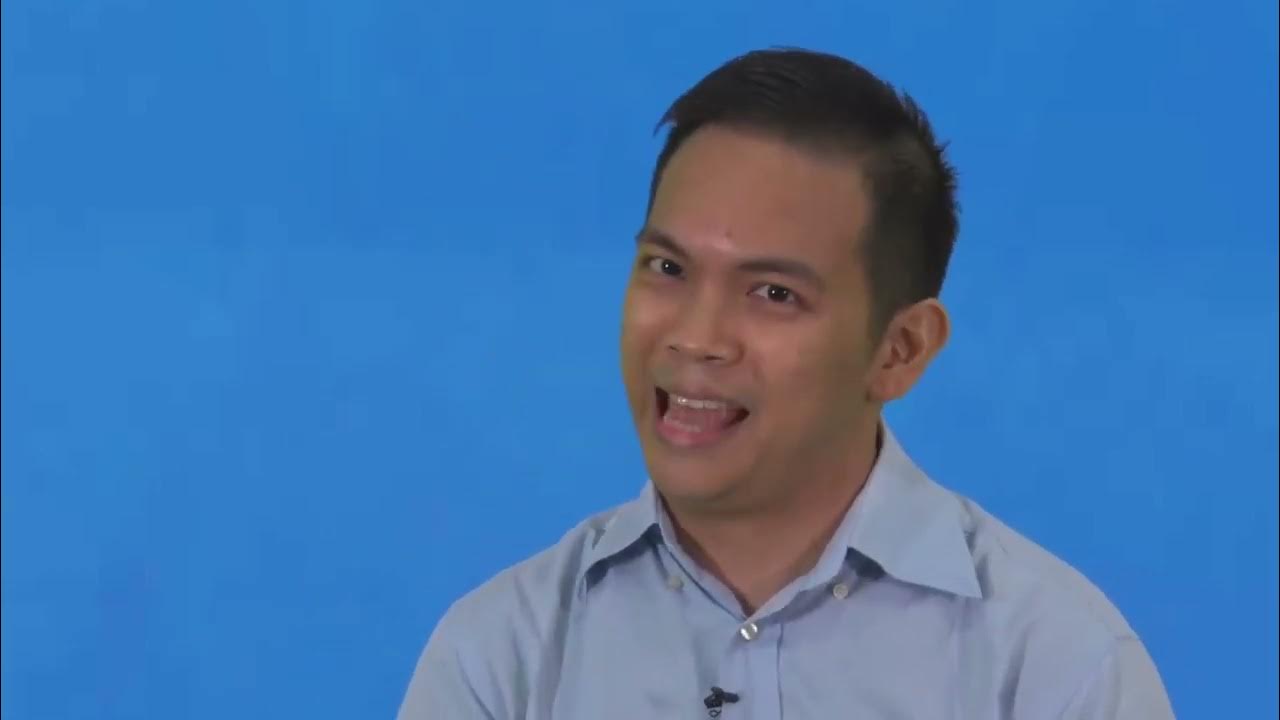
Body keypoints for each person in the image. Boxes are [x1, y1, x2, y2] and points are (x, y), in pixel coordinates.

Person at [397, 47, 1174, 719]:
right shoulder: (504, 657)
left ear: (900, 351)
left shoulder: (1053, 669)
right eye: (667, 267)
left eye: (773, 293)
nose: (696, 337)